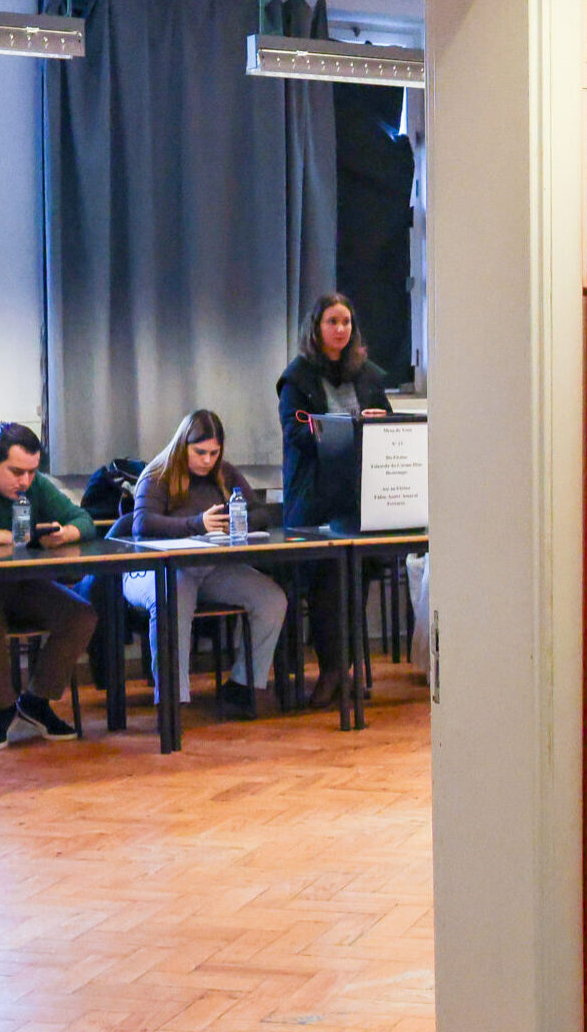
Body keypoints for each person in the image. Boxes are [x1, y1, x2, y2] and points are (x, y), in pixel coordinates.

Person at [122, 410, 287, 716]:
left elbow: (262, 512)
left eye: (214, 453)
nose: (208, 460)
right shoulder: (157, 474)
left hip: (209, 567)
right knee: (175, 594)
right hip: (154, 570)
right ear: (182, 445)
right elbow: (141, 524)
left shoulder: (224, 473)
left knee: (271, 599)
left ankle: (243, 686)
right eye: (200, 452)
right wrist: (197, 523)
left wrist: (238, 520)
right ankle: (173, 700)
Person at [0, 423, 96, 749]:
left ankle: (36, 701)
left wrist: (65, 534)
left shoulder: (34, 485)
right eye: (16, 472)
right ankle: (2, 710)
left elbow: (84, 520)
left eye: (32, 471)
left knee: (80, 615)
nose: (25, 481)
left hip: (19, 583)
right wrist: (0, 536)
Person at [277, 291, 392, 706]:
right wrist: (344, 425)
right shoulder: (297, 378)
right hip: (314, 499)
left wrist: (377, 421)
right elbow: (294, 432)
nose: (341, 329)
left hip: (359, 498)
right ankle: (331, 672)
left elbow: (387, 421)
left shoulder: (369, 375)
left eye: (346, 322)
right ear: (317, 327)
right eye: (332, 322)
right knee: (326, 584)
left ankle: (346, 671)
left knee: (356, 583)